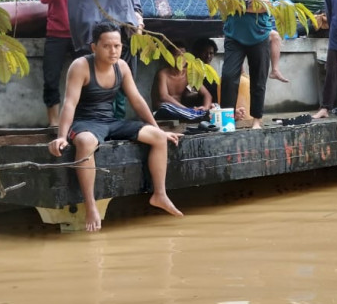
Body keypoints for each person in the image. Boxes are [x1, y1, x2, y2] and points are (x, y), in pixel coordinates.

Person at [49, 22, 183, 229]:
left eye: (118, 46)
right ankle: (91, 206)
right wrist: (61, 136)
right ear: (94, 47)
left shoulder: (122, 67)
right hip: (86, 123)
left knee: (157, 138)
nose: (114, 51)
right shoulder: (81, 66)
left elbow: (137, 100)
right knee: (85, 142)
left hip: (112, 122)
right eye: (107, 46)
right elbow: (70, 103)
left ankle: (159, 194)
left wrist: (157, 129)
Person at [218, 0, 274, 129]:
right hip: (234, 37)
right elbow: (225, 5)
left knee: (258, 80)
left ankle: (256, 120)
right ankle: (228, 121)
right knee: (228, 77)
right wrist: (251, 3)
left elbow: (265, 6)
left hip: (259, 36)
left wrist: (239, 3)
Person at [39, 0, 76, 126]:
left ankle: (84, 120)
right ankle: (53, 123)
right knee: (51, 79)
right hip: (56, 35)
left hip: (79, 36)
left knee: (88, 79)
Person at [152, 44, 212, 122]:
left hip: (183, 112)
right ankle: (198, 115)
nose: (182, 58)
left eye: (184, 55)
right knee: (165, 106)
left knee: (214, 106)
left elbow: (207, 94)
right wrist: (186, 110)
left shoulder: (189, 73)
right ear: (169, 57)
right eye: (177, 55)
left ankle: (198, 115)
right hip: (165, 111)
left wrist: (205, 108)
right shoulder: (163, 74)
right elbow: (164, 96)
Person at [189, 37, 219, 104]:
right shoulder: (192, 70)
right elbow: (189, 93)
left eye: (211, 53)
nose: (208, 56)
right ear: (197, 53)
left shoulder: (211, 70)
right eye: (205, 52)